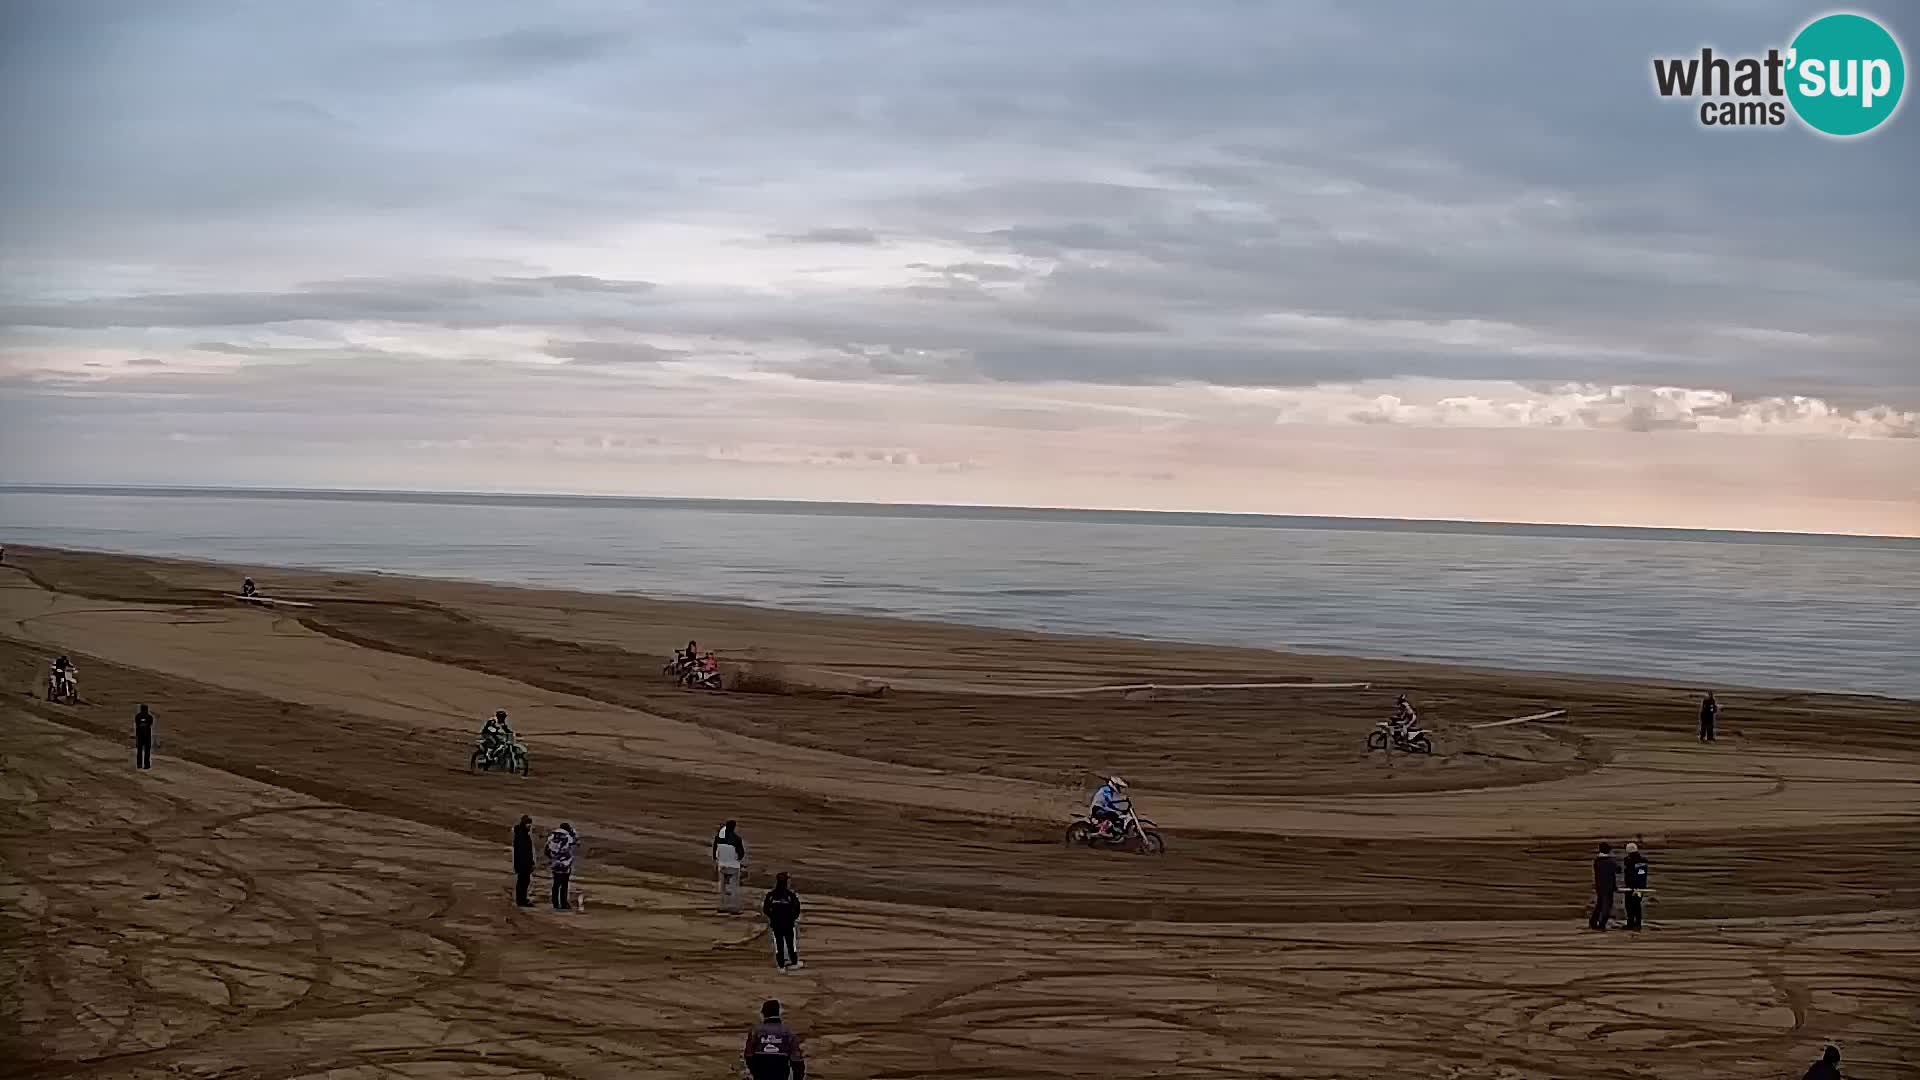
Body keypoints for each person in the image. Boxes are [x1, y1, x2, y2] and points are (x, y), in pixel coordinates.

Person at [744, 999, 807, 1080]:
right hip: (781, 1075)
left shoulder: (755, 1031)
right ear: (779, 1012)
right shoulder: (788, 1033)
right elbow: (797, 1061)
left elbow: (748, 1055)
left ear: (763, 1013)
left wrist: (754, 1071)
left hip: (761, 1075)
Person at [763, 872, 802, 971]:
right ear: (786, 882)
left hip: (776, 924)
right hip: (788, 924)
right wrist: (792, 918)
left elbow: (766, 909)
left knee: (779, 944)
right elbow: (797, 909)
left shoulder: (771, 895)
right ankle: (793, 962)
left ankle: (781, 965)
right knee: (790, 943)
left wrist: (773, 917)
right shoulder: (791, 895)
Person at [713, 820, 748, 914]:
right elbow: (741, 853)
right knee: (734, 887)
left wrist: (718, 860)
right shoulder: (737, 839)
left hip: (722, 865)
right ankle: (733, 907)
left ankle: (722, 906)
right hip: (733, 866)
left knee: (722, 886)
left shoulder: (718, 838)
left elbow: (714, 851)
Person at [545, 822, 578, 911]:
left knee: (556, 884)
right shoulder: (568, 837)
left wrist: (553, 858)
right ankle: (563, 903)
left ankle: (555, 903)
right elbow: (574, 843)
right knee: (564, 884)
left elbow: (546, 850)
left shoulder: (551, 837)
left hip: (555, 863)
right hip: (565, 864)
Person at [1589, 843, 1618, 930]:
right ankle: (1602, 923)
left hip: (1599, 886)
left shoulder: (1597, 861)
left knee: (1600, 904)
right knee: (1607, 906)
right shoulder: (1610, 861)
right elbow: (1618, 870)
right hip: (1608, 887)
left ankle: (1593, 922)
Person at [1622, 841, 1650, 930]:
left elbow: (1631, 874)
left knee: (1630, 905)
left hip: (1632, 887)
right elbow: (1642, 874)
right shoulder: (1643, 861)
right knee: (1636, 905)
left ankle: (1632, 923)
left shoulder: (1628, 861)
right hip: (1639, 887)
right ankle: (1636, 923)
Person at [512, 815, 536, 908]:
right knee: (523, 882)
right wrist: (528, 863)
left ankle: (522, 899)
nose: (530, 825)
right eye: (528, 823)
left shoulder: (523, 833)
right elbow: (523, 851)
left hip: (523, 863)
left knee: (524, 882)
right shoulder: (522, 834)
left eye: (530, 823)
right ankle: (521, 900)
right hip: (523, 863)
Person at [133, 704, 155, 770]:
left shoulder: (137, 716)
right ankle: (146, 765)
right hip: (147, 736)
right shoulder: (150, 717)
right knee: (147, 751)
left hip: (139, 736)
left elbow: (137, 724)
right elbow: (150, 724)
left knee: (139, 751)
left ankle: (139, 764)